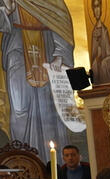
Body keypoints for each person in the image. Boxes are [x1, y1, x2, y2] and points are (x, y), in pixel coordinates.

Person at [0, 0, 73, 153]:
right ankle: (21, 156)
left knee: (48, 108)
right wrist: (7, 10)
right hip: (17, 49)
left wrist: (60, 54)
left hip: (47, 48)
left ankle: (51, 160)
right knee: (19, 107)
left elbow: (60, 20)